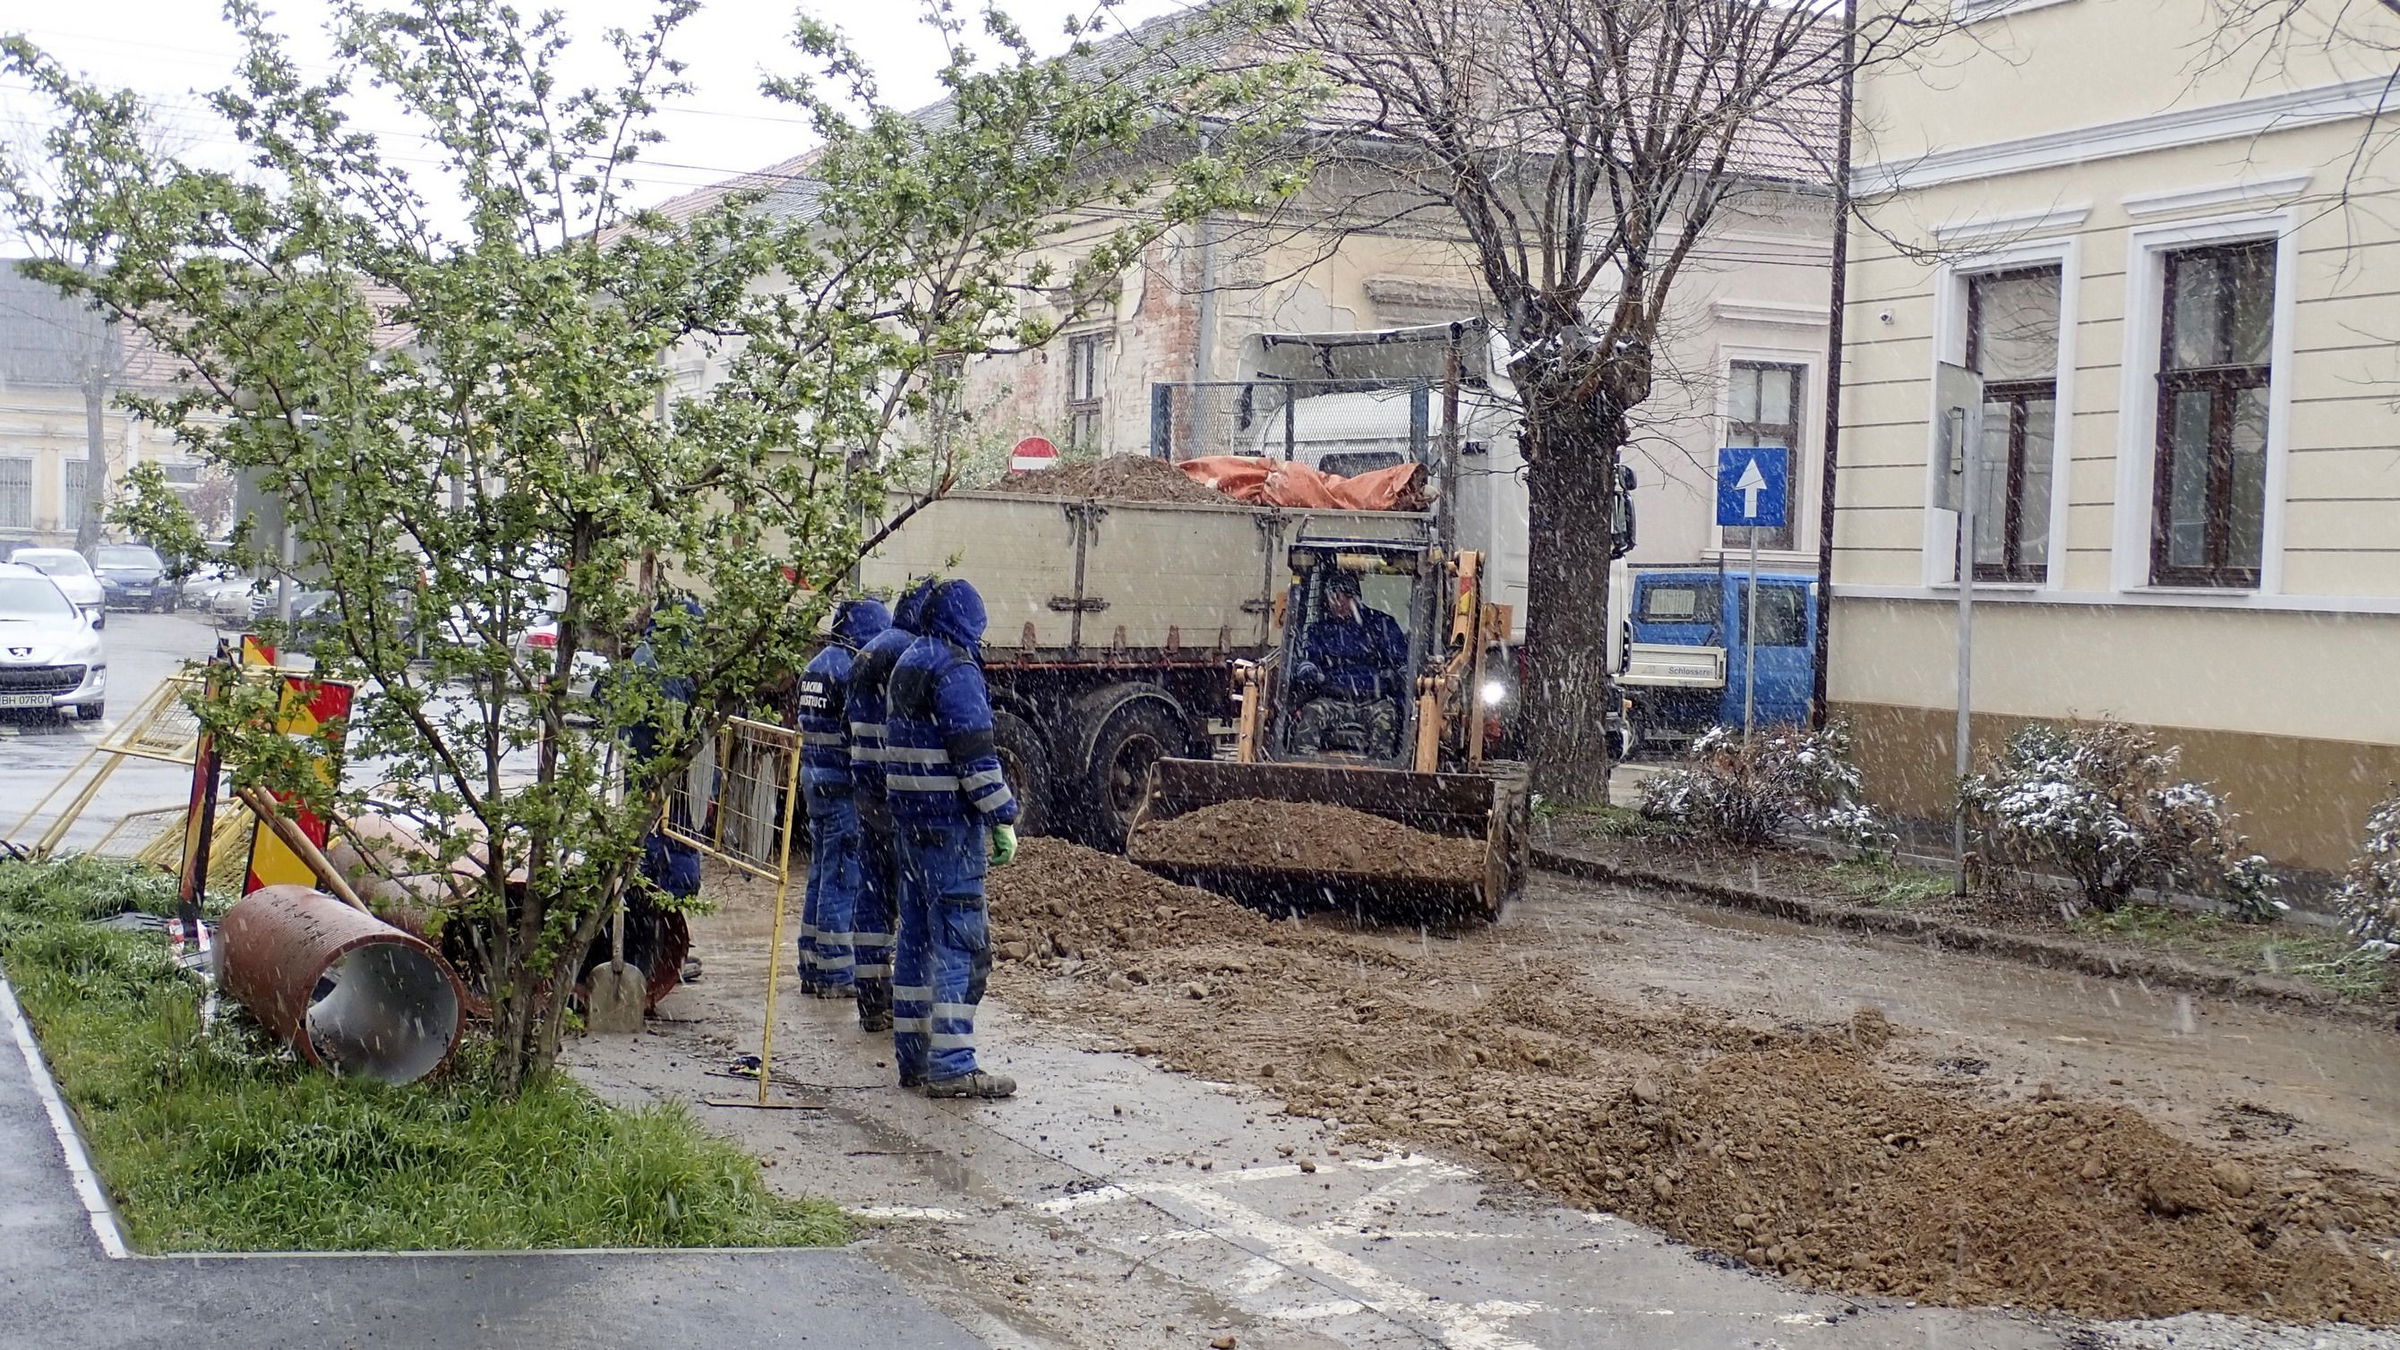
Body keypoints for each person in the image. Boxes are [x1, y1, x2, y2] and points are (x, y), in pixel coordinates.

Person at [883, 578, 1019, 1099]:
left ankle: (914, 1057)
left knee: (915, 940)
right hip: (949, 830)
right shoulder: (955, 669)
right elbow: (975, 756)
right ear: (969, 621)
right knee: (959, 942)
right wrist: (1002, 814)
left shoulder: (909, 660)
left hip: (909, 825)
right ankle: (953, 1063)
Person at [844, 578, 936, 1035]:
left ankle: (870, 999)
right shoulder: (912, 654)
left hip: (865, 790)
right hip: (898, 793)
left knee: (872, 895)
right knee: (912, 901)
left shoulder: (866, 653)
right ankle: (910, 1006)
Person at [793, 597, 891, 1000]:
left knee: (821, 871)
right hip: (841, 784)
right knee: (842, 876)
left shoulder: (815, 666)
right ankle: (835, 973)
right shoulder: (852, 669)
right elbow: (858, 731)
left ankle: (812, 965)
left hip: (813, 779)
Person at [1289, 569, 1409, 755]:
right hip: (1333, 700)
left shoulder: (1381, 625)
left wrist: (1401, 672)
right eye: (1333, 598)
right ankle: (1302, 769)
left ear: (1354, 597)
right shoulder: (1320, 631)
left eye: (1343, 597)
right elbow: (1309, 658)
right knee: (1311, 714)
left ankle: (1381, 773)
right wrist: (1307, 668)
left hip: (1374, 701)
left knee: (1387, 719)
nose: (1338, 603)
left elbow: (1400, 659)